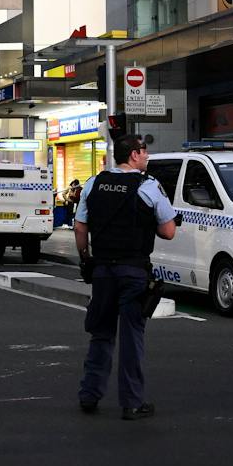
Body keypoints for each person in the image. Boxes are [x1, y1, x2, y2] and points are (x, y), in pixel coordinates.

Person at [74, 134, 180, 420]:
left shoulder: (94, 183)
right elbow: (169, 231)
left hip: (102, 270)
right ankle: (131, 402)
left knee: (101, 332)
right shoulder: (148, 186)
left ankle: (89, 394)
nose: (147, 156)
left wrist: (85, 257)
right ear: (134, 155)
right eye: (144, 151)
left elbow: (80, 226)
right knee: (132, 336)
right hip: (133, 271)